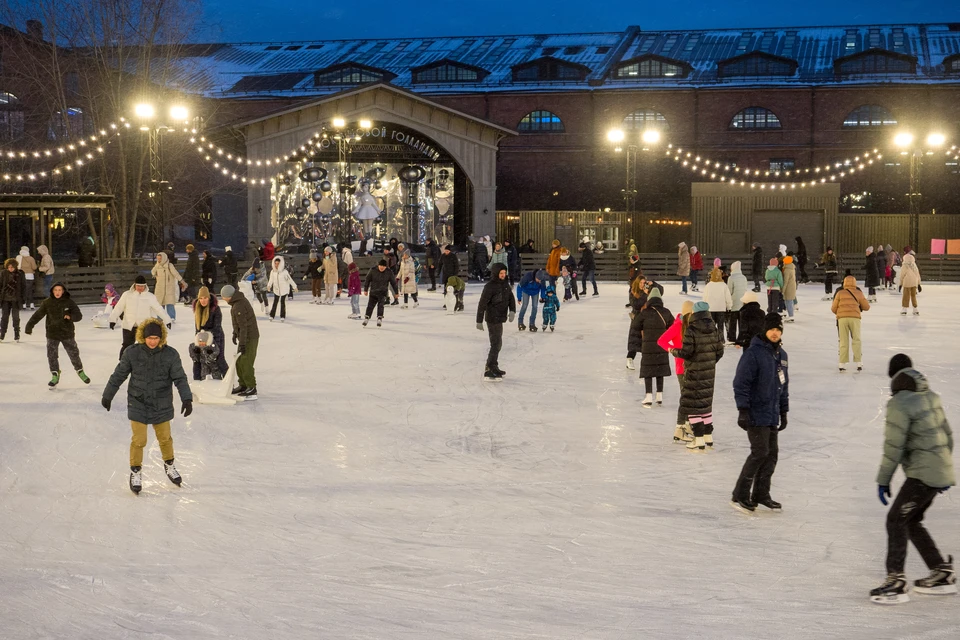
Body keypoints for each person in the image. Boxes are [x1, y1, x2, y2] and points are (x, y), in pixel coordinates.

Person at [870, 353, 956, 604]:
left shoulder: (900, 403)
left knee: (896, 519)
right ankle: (941, 570)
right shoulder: (931, 397)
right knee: (911, 520)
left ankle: (895, 580)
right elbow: (948, 438)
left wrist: (883, 479)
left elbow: (893, 446)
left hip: (923, 474)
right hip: (937, 471)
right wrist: (940, 470)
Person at [101, 318, 192, 493]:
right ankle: (135, 471)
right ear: (143, 336)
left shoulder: (170, 354)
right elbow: (119, 374)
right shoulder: (132, 353)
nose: (152, 341)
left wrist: (186, 398)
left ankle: (170, 465)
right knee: (139, 440)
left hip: (162, 401)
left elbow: (180, 378)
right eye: (149, 338)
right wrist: (108, 394)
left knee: (165, 438)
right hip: (138, 401)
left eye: (156, 338)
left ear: (161, 338)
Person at [731, 312, 789, 513]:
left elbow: (783, 385)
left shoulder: (781, 355)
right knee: (760, 452)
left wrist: (784, 411)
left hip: (772, 412)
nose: (775, 333)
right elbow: (741, 383)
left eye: (778, 329)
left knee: (771, 455)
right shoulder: (753, 353)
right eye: (772, 329)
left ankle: (761, 494)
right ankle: (740, 493)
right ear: (765, 330)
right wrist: (743, 410)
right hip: (755, 412)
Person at [670, 301, 724, 451]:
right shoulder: (714, 328)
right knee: (705, 403)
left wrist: (674, 351)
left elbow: (686, 352)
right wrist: (710, 362)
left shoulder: (691, 330)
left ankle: (698, 438)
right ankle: (708, 436)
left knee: (693, 405)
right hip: (709, 372)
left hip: (694, 371)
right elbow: (720, 351)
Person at [24, 282, 90, 387]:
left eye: (59, 290)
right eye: (55, 290)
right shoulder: (47, 303)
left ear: (63, 291)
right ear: (52, 291)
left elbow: (79, 316)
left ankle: (80, 370)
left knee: (73, 353)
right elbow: (37, 315)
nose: (57, 292)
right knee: (52, 355)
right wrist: (29, 326)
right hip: (52, 333)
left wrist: (70, 317)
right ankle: (55, 374)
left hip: (67, 333)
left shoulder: (69, 302)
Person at [658, 299, 695, 443]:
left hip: (692, 366)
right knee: (686, 398)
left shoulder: (691, 326)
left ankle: (686, 424)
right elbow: (661, 340)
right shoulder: (678, 325)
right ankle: (679, 428)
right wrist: (673, 350)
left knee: (690, 397)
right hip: (682, 367)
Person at [109, 275, 172, 360]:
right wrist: (112, 319)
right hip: (128, 325)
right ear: (134, 285)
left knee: (144, 347)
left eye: (142, 286)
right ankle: (123, 363)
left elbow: (158, 309)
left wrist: (167, 319)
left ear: (145, 286)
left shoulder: (150, 297)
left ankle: (144, 364)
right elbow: (119, 307)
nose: (140, 288)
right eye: (138, 285)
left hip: (143, 326)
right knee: (127, 346)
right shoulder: (127, 295)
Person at [631, 288, 673, 408]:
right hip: (662, 345)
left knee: (648, 370)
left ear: (649, 300)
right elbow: (673, 326)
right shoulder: (666, 312)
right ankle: (659, 395)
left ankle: (648, 396)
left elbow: (635, 326)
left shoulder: (645, 312)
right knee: (660, 370)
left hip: (648, 346)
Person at [476, 263, 515, 381]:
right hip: (492, 318)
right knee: (496, 344)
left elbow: (511, 299)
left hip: (500, 318)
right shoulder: (490, 286)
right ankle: (489, 368)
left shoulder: (505, 285)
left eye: (504, 273)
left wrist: (512, 310)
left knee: (498, 344)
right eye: (501, 273)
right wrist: (479, 320)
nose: (503, 275)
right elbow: (482, 304)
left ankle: (494, 365)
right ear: (496, 273)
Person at [220, 284, 259, 399]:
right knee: (239, 361)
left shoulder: (238, 305)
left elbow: (244, 326)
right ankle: (243, 384)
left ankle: (251, 387)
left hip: (249, 337)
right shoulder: (236, 303)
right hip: (244, 336)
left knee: (246, 362)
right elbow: (239, 324)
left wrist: (242, 343)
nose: (223, 298)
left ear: (229, 296)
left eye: (223, 296)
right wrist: (234, 333)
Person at [831, 274, 870, 372]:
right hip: (855, 318)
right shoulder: (858, 293)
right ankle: (858, 362)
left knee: (843, 340)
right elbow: (867, 307)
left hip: (842, 319)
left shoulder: (840, 293)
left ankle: (842, 363)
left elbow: (833, 308)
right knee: (856, 339)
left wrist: (841, 312)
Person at [193, 286, 228, 379]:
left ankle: (228, 382)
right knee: (198, 359)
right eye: (201, 298)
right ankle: (197, 381)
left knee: (219, 359)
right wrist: (198, 342)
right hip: (201, 339)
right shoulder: (197, 309)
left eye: (205, 298)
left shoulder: (215, 309)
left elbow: (217, 326)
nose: (203, 300)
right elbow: (197, 328)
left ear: (208, 298)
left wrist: (206, 336)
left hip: (217, 337)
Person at [362, 260, 399, 327]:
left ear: (386, 267)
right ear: (378, 265)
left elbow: (393, 283)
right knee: (370, 305)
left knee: (381, 306)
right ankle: (367, 318)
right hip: (373, 291)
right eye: (381, 266)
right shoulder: (373, 270)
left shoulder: (389, 272)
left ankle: (379, 318)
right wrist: (365, 289)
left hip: (383, 292)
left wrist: (396, 292)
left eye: (383, 266)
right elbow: (367, 279)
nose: (382, 267)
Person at [152, 251, 185, 321]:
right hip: (160, 288)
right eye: (158, 258)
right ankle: (160, 317)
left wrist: (182, 281)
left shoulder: (170, 266)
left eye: (160, 258)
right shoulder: (157, 265)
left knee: (169, 303)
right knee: (160, 304)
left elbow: (176, 274)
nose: (159, 260)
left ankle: (171, 318)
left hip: (169, 288)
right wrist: (155, 274)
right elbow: (152, 271)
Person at [703, 267, 732, 340]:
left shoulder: (708, 285)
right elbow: (728, 297)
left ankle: (711, 339)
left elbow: (705, 297)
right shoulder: (724, 285)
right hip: (721, 308)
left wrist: (705, 307)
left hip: (711, 308)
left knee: (711, 325)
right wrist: (729, 307)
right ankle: (721, 339)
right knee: (720, 325)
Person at [0, 258, 26, 342]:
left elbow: (23, 286)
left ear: (15, 267)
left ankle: (16, 335)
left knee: (16, 317)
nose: (10, 268)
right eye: (9, 267)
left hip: (16, 299)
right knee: (4, 317)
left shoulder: (20, 274)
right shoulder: (3, 273)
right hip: (5, 299)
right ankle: (2, 334)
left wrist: (23, 299)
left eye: (12, 267)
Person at [267, 256, 297, 321]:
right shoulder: (273, 272)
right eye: (275, 263)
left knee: (282, 302)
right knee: (275, 302)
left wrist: (295, 287)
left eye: (278, 263)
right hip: (276, 289)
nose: (276, 265)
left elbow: (290, 280)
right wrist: (269, 286)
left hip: (284, 289)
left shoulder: (284, 272)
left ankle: (282, 316)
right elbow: (271, 280)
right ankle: (272, 315)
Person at [726, 261, 749, 344]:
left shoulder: (731, 278)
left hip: (734, 302)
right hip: (743, 302)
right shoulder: (744, 277)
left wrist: (728, 301)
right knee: (741, 322)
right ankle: (741, 337)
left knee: (733, 322)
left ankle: (732, 338)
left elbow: (729, 291)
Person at [781, 255, 798, 322]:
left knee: (788, 302)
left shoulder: (787, 270)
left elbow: (786, 281)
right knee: (789, 301)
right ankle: (791, 315)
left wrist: (783, 290)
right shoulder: (792, 268)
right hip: (792, 286)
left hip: (788, 288)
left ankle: (791, 316)